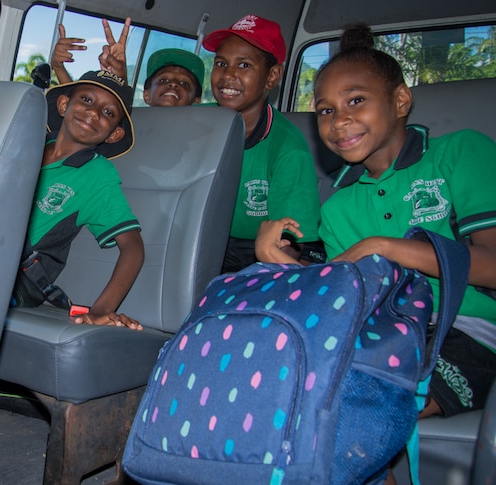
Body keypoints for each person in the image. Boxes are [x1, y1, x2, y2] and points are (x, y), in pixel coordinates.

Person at [255, 24, 496, 422]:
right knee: (293, 392)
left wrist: (384, 246)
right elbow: (342, 298)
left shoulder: (460, 153)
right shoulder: (338, 207)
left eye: (356, 100)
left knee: (355, 410)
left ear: (400, 100)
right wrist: (281, 262)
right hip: (383, 333)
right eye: (326, 110)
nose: (339, 120)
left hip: (469, 331)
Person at [12, 70, 145, 331]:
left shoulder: (97, 175)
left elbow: (133, 247)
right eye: (86, 100)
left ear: (114, 134)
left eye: (108, 113)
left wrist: (103, 309)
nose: (94, 113)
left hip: (17, 279)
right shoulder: (27, 143)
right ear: (64, 105)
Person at [202, 14, 323, 272]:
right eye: (221, 63)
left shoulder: (288, 148)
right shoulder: (200, 124)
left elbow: (292, 240)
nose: (228, 75)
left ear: (272, 77)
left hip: (254, 250)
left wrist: (275, 256)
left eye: (244, 65)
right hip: (201, 238)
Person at [51, 18, 205, 107]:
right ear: (146, 95)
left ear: (197, 101)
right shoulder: (130, 124)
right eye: (163, 80)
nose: (173, 85)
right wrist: (58, 67)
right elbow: (78, 106)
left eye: (184, 84)